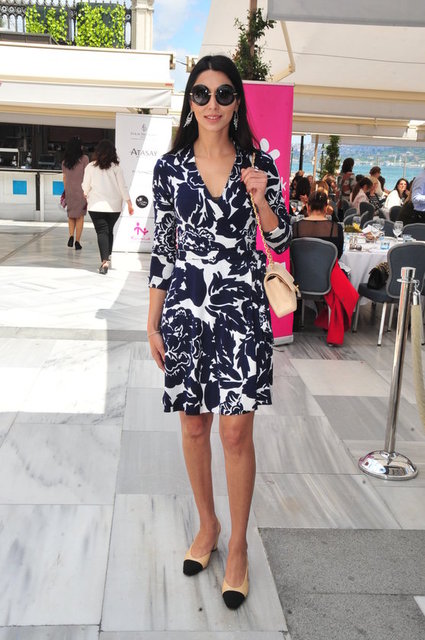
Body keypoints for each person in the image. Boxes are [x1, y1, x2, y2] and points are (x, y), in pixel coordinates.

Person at [147, 54, 291, 610]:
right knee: (193, 426)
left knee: (235, 433)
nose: (212, 104)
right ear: (190, 101)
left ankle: (237, 548)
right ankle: (207, 526)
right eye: (202, 93)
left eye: (224, 94)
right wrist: (152, 320)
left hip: (240, 312)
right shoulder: (170, 168)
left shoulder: (258, 163)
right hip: (185, 310)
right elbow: (164, 249)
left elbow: (280, 242)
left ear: (237, 102)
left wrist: (261, 199)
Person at [82, 139, 134, 274]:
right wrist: (129, 203)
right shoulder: (116, 168)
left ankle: (104, 261)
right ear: (113, 153)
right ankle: (107, 257)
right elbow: (123, 187)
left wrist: (85, 193)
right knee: (108, 230)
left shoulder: (90, 167)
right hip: (114, 207)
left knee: (102, 232)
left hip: (96, 206)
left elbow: (86, 185)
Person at [292, 190, 344, 258]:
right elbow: (338, 254)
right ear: (325, 208)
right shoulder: (336, 228)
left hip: (300, 265)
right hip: (327, 265)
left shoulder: (295, 227)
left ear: (308, 207)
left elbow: (292, 253)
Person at [61, 137, 89, 250]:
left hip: (70, 191)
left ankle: (71, 236)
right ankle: (77, 241)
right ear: (79, 147)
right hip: (81, 191)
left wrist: (66, 191)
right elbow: (87, 176)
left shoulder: (65, 162)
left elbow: (64, 178)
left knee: (71, 216)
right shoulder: (84, 159)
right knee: (80, 217)